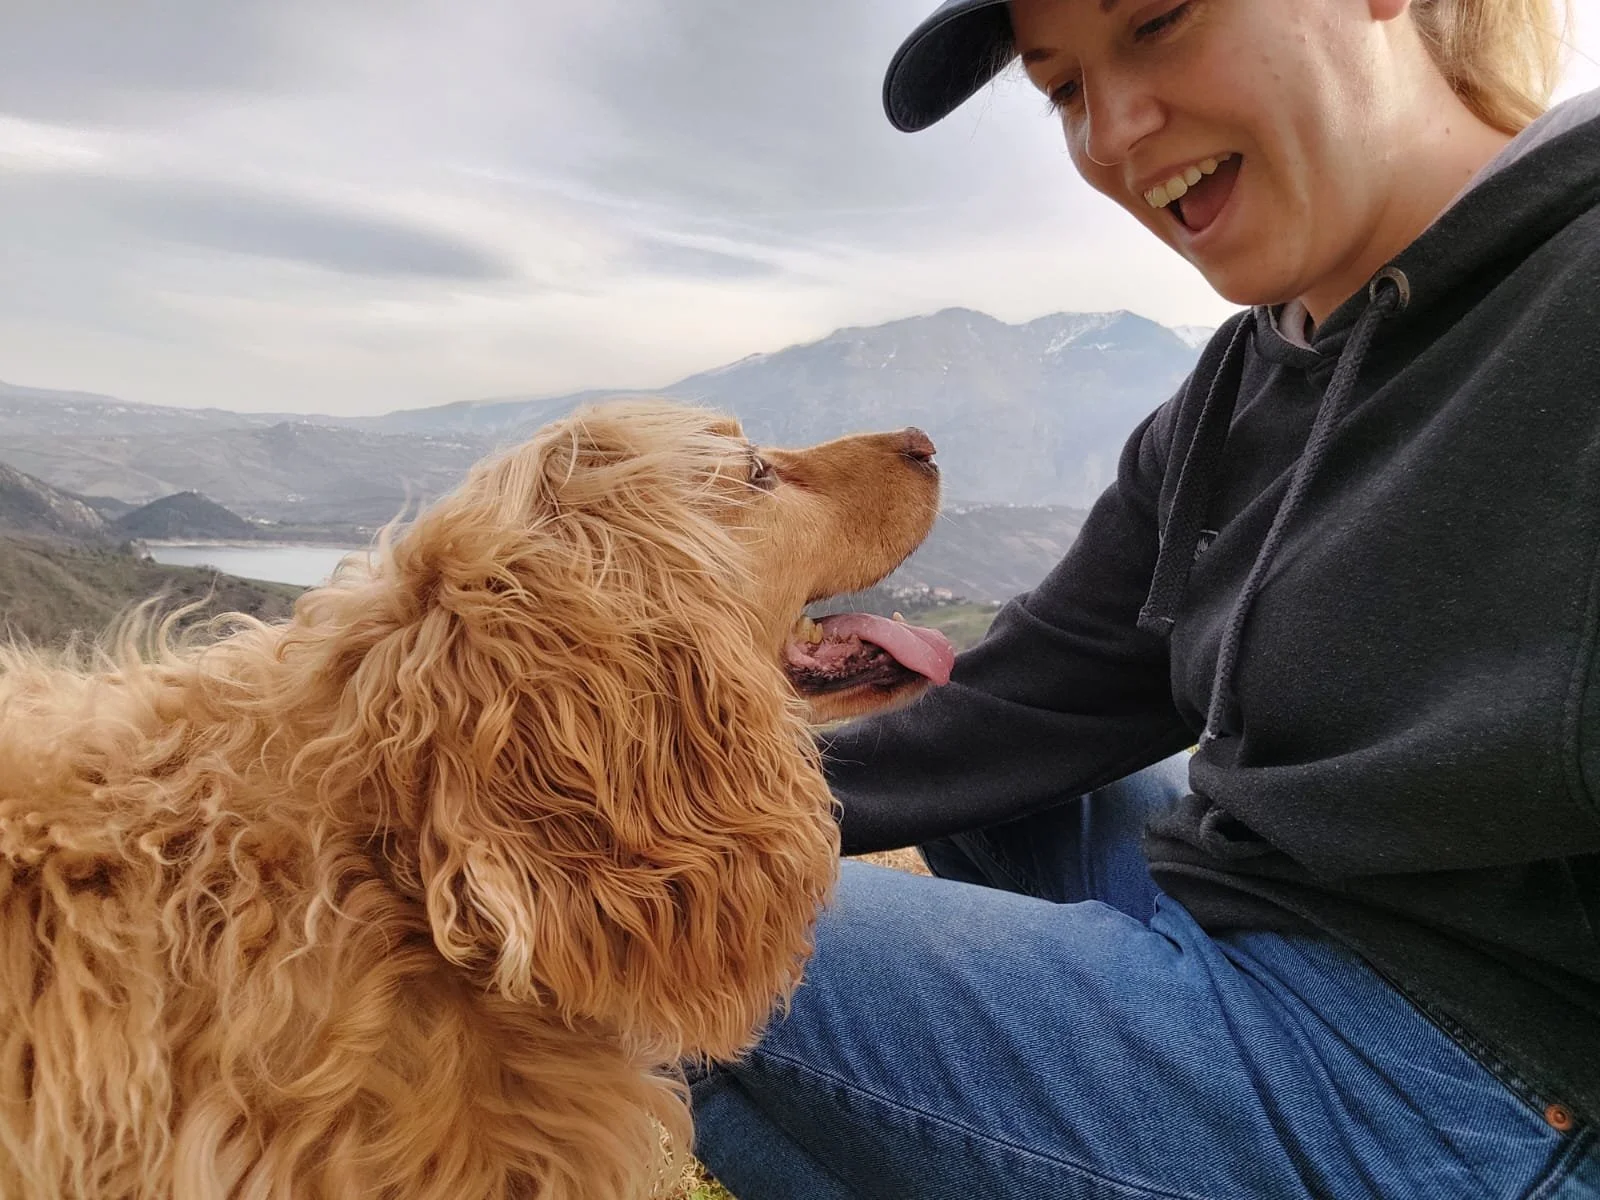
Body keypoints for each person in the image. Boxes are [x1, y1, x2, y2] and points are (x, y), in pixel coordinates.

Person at [690, 0, 1600, 1196]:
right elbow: (1034, 698)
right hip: (1256, 913)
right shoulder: (1242, 381)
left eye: (1159, 21)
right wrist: (604, 818)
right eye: (1061, 88)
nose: (1114, 131)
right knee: (934, 719)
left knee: (617, 949)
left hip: (1476, 1078)